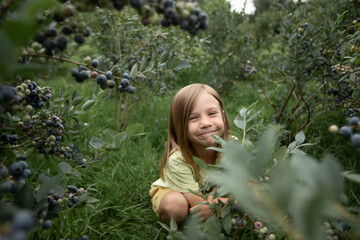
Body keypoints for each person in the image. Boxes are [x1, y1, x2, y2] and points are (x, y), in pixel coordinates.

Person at [149, 83, 231, 227]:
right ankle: (178, 227)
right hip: (174, 191)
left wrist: (221, 202)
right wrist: (228, 202)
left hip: (210, 190)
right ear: (179, 125)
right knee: (177, 207)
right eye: (193, 118)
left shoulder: (231, 146)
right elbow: (199, 204)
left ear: (223, 115)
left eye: (212, 113)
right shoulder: (178, 160)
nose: (205, 123)